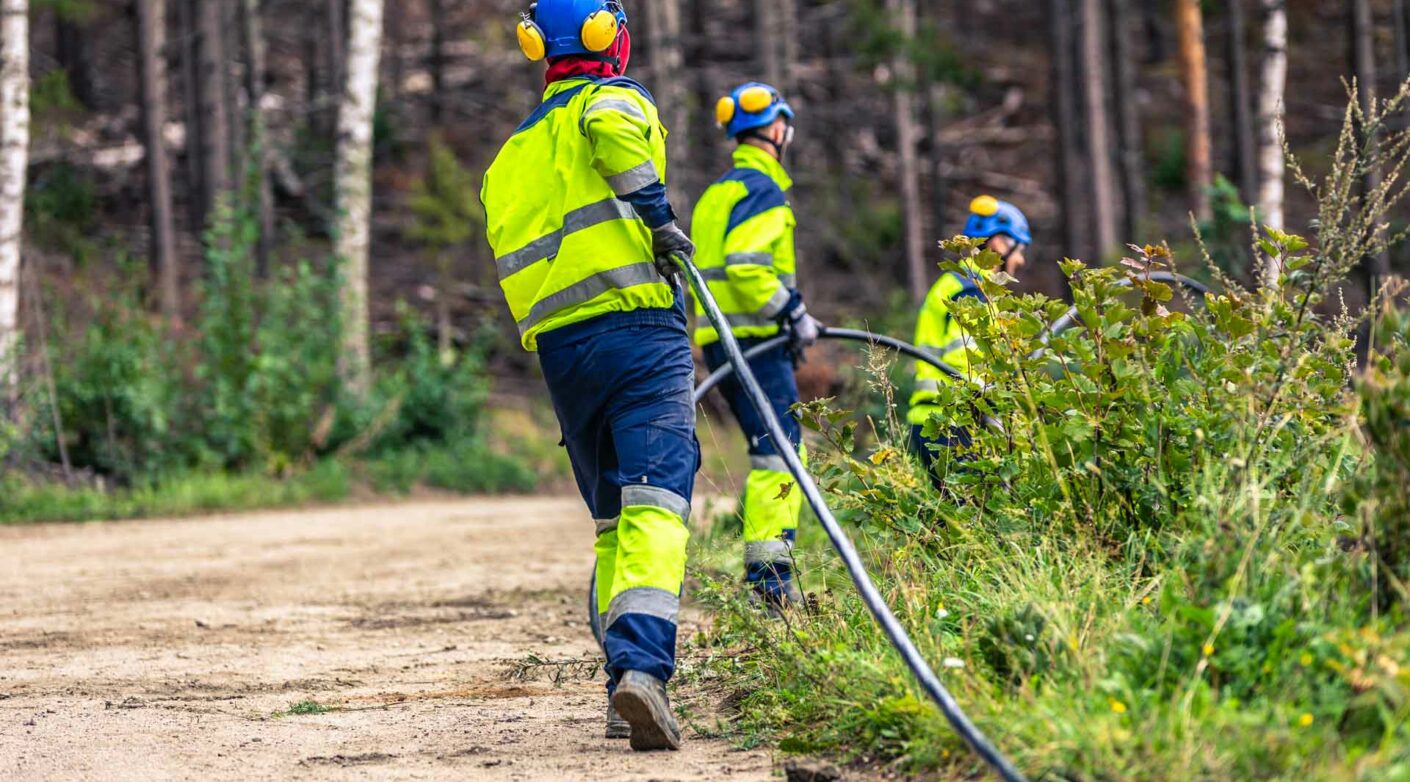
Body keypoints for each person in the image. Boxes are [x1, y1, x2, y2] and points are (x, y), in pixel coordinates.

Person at [481, 0, 697, 751]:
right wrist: (656, 212)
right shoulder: (611, 100)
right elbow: (611, 136)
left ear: (539, 47)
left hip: (563, 354)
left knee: (611, 523)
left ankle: (619, 690)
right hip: (639, 330)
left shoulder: (512, 154)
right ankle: (643, 670)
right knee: (656, 504)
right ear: (610, 36)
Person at [690, 82, 822, 612]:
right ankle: (771, 580)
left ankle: (770, 575)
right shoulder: (763, 190)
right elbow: (747, 267)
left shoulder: (718, 192)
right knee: (780, 456)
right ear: (777, 129)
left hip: (722, 342)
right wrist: (791, 312)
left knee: (777, 450)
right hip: (755, 342)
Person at [907, 196, 1031, 490]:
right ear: (999, 243)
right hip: (951, 423)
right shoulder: (972, 291)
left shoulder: (958, 283)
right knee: (972, 516)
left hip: (935, 420)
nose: (1021, 260)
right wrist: (994, 411)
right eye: (1020, 248)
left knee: (952, 520)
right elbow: (965, 358)